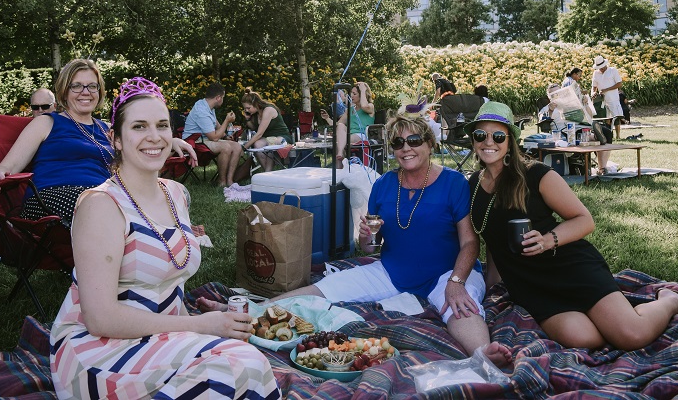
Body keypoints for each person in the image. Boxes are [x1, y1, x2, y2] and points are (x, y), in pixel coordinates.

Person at [201, 112, 513, 367]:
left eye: (414, 140)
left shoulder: (453, 182)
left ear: (428, 143)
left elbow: (470, 243)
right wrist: (366, 238)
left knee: (462, 309)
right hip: (392, 270)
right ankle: (240, 314)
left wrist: (457, 281)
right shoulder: (385, 184)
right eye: (398, 142)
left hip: (447, 272)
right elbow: (371, 248)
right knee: (313, 292)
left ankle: (483, 356)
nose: (406, 148)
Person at [50, 77, 280, 400]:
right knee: (238, 368)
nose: (154, 137)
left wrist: (199, 331)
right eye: (139, 127)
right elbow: (99, 318)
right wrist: (202, 328)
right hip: (97, 351)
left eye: (162, 125)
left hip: (157, 336)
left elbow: (171, 289)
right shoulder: (100, 205)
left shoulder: (177, 194)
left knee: (242, 363)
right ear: (115, 139)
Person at [467, 101, 678, 351]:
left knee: (631, 335)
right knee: (587, 339)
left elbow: (584, 220)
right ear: (474, 140)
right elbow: (493, 241)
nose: (489, 142)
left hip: (568, 265)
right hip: (531, 286)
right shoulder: (473, 185)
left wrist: (546, 240)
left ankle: (670, 301)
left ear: (510, 140)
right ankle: (617, 312)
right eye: (481, 135)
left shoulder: (537, 175)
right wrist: (490, 290)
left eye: (498, 135)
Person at [0, 59, 196, 221]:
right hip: (50, 199)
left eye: (92, 86)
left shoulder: (106, 129)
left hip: (106, 196)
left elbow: (136, 152)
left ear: (99, 91)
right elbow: (10, 164)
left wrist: (170, 143)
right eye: (76, 86)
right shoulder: (47, 123)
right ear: (64, 92)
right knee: (101, 203)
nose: (85, 92)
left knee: (174, 192)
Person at [183, 83, 244, 188]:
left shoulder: (209, 107)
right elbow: (214, 137)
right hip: (195, 141)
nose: (223, 100)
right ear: (218, 98)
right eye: (223, 97)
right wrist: (227, 120)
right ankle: (222, 182)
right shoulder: (201, 110)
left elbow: (216, 124)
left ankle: (230, 181)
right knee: (226, 147)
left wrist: (225, 136)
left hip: (205, 139)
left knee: (237, 146)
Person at [241, 88, 292, 172]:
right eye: (245, 109)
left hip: (281, 136)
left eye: (248, 108)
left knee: (272, 141)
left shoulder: (268, 110)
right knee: (257, 144)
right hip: (267, 137)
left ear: (255, 104)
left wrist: (244, 147)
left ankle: (268, 173)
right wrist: (247, 119)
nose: (246, 110)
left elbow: (259, 134)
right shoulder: (256, 113)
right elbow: (254, 128)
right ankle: (268, 173)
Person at [333, 82, 375, 168]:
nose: (351, 95)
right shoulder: (350, 110)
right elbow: (338, 124)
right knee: (341, 127)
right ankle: (340, 158)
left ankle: (340, 169)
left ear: (362, 95)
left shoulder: (370, 106)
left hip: (362, 135)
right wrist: (327, 118)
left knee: (340, 142)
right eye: (351, 93)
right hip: (349, 136)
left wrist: (363, 89)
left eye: (354, 94)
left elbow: (364, 106)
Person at [591, 56, 623, 140]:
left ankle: (618, 135)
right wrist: (593, 92)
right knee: (606, 118)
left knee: (616, 116)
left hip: (613, 98)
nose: (600, 69)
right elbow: (594, 86)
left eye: (601, 67)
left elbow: (619, 84)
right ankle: (609, 134)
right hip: (602, 99)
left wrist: (606, 89)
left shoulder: (612, 70)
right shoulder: (596, 73)